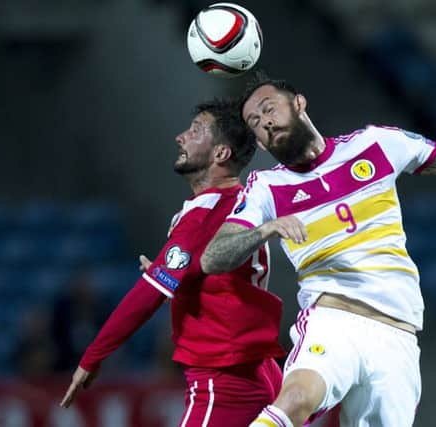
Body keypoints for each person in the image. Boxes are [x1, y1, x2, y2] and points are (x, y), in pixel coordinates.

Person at [200, 77, 436, 427]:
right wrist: (265, 228)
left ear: (299, 103)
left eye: (268, 109)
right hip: (334, 321)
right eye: (254, 123)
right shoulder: (267, 188)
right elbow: (212, 257)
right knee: (297, 398)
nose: (264, 123)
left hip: (397, 337)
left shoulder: (376, 145)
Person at [60, 98, 286, 427]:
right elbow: (218, 274)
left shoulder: (204, 214)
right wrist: (171, 272)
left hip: (225, 381)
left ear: (221, 153)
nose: (180, 136)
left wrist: (93, 357)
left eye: (195, 131)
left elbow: (147, 296)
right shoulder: (242, 202)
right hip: (256, 369)